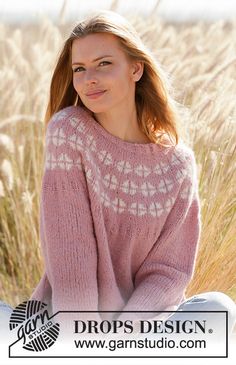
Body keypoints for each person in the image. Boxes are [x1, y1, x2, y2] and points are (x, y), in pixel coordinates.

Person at [1, 10, 235, 339]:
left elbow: (168, 272)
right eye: (79, 69)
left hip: (145, 330)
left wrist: (124, 336)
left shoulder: (177, 164)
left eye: (103, 64)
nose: (88, 79)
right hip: (69, 324)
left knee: (219, 309)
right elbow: (72, 258)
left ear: (136, 69)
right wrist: (83, 346)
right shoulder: (69, 132)